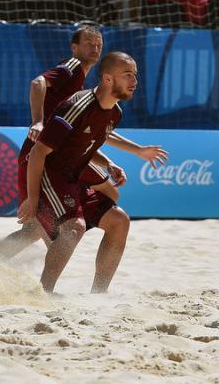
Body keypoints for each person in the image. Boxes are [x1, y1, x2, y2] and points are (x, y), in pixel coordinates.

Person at [0, 27, 168, 259]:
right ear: (74, 47)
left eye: (98, 44)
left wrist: (120, 158)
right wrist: (38, 122)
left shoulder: (87, 90)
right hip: (43, 154)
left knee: (42, 228)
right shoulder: (73, 67)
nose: (95, 48)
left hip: (62, 154)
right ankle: (4, 261)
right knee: (51, 227)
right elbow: (37, 83)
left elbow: (91, 135)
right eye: (88, 43)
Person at [16, 52, 139, 293]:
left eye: (135, 75)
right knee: (74, 227)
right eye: (127, 75)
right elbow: (39, 153)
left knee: (119, 220)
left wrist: (109, 165)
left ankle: (98, 294)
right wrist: (32, 198)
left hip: (74, 177)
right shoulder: (77, 104)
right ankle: (44, 292)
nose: (134, 81)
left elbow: (86, 145)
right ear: (107, 79)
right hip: (49, 175)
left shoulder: (115, 113)